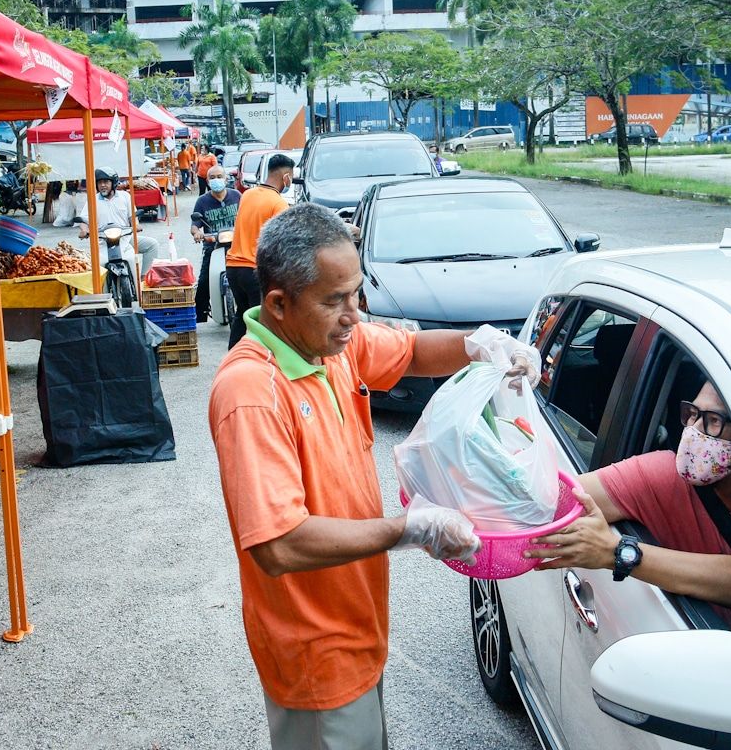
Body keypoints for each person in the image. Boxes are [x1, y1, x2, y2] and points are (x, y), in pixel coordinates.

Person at [209, 204, 538, 749]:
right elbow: (278, 543)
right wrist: (408, 529)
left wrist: (482, 346)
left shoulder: (330, 346)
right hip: (314, 645)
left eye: (357, 294)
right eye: (334, 300)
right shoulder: (252, 394)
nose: (353, 314)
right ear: (278, 304)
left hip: (359, 623)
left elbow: (409, 352)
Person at [525, 381, 731, 677]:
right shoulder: (664, 476)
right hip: (723, 673)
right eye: (692, 414)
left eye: (713, 421)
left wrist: (618, 552)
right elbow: (548, 498)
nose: (693, 431)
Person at [224, 153, 294, 348]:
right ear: (286, 177)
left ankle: (232, 358)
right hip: (255, 270)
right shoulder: (278, 203)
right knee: (262, 324)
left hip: (233, 268)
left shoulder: (248, 195)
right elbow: (281, 243)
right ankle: (259, 365)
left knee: (242, 315)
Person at [190, 165, 241, 323]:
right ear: (207, 181)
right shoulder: (202, 201)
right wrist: (198, 233)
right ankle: (200, 316)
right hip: (213, 246)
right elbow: (195, 225)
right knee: (204, 279)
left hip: (238, 245)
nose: (216, 180)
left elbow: (247, 215)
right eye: (212, 178)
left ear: (226, 179)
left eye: (219, 176)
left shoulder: (237, 196)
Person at [78, 167, 159, 268]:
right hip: (103, 242)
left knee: (152, 245)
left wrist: (136, 225)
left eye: (106, 182)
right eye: (99, 183)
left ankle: (143, 278)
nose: (102, 185)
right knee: (99, 267)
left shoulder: (125, 196)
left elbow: (132, 216)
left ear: (113, 183)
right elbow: (84, 219)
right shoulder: (93, 200)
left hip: (125, 238)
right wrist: (84, 230)